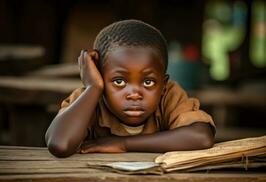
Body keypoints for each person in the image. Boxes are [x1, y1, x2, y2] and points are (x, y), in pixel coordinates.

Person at [45, 19, 215, 157]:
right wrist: (93, 88)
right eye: (119, 82)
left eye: (148, 82)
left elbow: (201, 136)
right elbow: (60, 144)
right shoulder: (89, 97)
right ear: (100, 77)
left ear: (163, 85)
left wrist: (123, 144)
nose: (134, 94)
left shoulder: (169, 95)